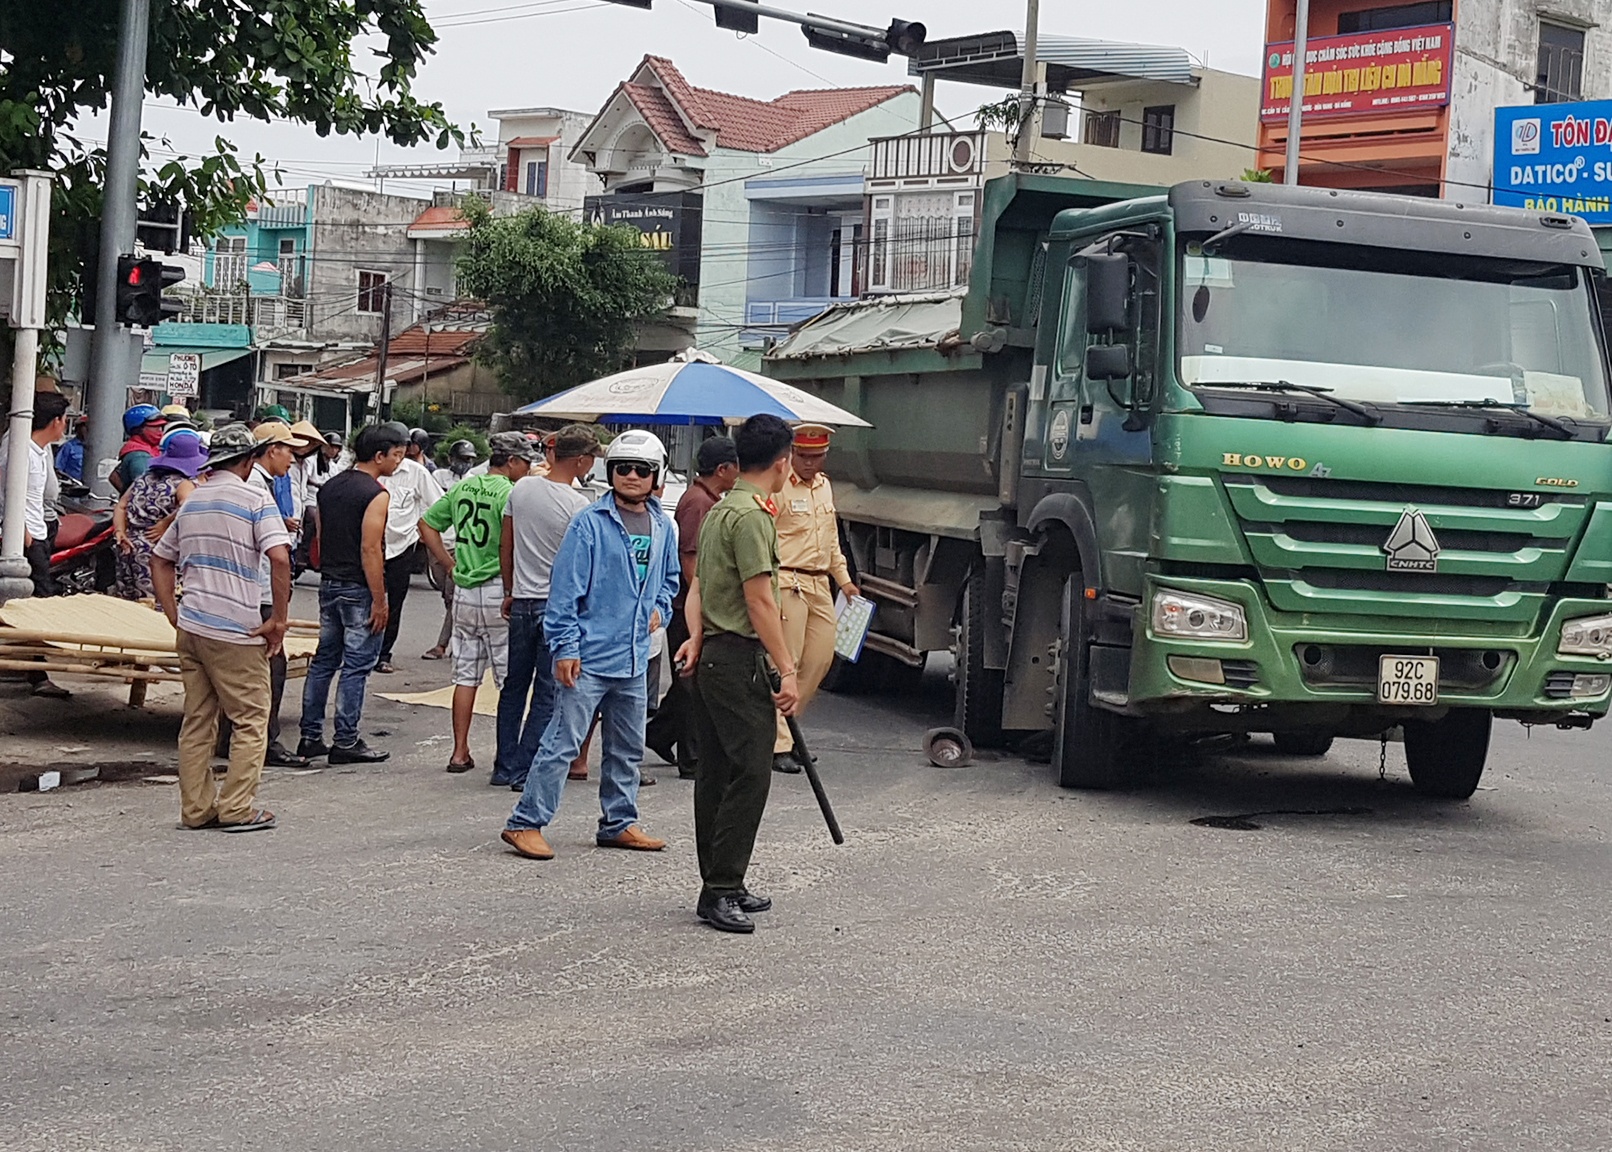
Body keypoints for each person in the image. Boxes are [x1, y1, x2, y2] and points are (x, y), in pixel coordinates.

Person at [501, 429, 678, 861]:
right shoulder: (588, 524)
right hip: (589, 656)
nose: (631, 476)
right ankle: (525, 822)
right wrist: (564, 648)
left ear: (657, 476)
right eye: (622, 469)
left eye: (642, 470)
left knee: (626, 745)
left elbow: (670, 581)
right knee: (562, 742)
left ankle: (619, 821)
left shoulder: (662, 525)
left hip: (634, 656)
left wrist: (661, 609)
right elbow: (564, 593)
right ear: (609, 471)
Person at [674, 413, 799, 933]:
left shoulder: (721, 509)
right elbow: (759, 599)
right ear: (783, 461)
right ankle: (720, 887)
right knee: (751, 771)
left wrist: (696, 638)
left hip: (713, 654)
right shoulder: (752, 517)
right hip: (739, 658)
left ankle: (724, 879)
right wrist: (788, 669)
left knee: (718, 773)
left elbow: (699, 587)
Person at [148, 423, 292, 832]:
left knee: (197, 720)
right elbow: (279, 558)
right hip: (237, 630)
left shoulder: (193, 501)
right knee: (250, 718)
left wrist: (173, 612)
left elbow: (160, 558)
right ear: (249, 461)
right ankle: (237, 808)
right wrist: (278, 620)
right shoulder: (254, 497)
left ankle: (196, 810)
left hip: (193, 625)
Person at [419, 431, 536, 773]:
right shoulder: (512, 494)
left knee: (466, 676)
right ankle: (507, 755)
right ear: (512, 461)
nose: (528, 469)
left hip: (465, 590)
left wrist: (448, 564)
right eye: (526, 462)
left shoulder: (463, 487)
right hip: (499, 589)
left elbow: (426, 525)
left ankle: (459, 752)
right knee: (509, 680)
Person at [493, 424, 597, 789]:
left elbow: (506, 543)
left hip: (521, 599)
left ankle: (504, 765)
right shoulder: (578, 505)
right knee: (547, 692)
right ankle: (525, 768)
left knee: (513, 686)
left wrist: (509, 587)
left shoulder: (521, 488)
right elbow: (579, 564)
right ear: (581, 459)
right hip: (555, 605)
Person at [296, 423, 403, 764]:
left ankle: (310, 735)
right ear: (379, 455)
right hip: (358, 586)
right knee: (357, 666)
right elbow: (371, 548)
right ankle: (346, 739)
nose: (398, 462)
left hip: (330, 581)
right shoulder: (376, 493)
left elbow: (322, 538)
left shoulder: (329, 488)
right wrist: (380, 598)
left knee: (324, 661)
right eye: (396, 455)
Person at [645, 435, 738, 778]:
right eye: (735, 467)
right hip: (688, 606)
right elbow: (690, 558)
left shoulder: (705, 498)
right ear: (722, 469)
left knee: (690, 681)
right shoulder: (699, 503)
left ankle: (658, 733)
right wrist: (704, 601)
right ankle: (692, 758)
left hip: (690, 603)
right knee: (693, 683)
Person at [769, 423, 859, 773]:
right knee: (787, 663)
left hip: (820, 582)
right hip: (788, 578)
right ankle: (780, 743)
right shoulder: (780, 487)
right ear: (791, 453)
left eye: (817, 456)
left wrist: (845, 581)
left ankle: (785, 733)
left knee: (821, 659)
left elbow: (831, 539)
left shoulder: (824, 487)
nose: (809, 463)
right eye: (803, 456)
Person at [244, 422, 307, 767]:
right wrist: (280, 616)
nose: (293, 459)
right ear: (272, 451)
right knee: (271, 665)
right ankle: (265, 740)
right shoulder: (256, 488)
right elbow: (277, 556)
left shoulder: (259, 483)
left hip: (252, 588)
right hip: (260, 589)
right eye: (289, 451)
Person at [374, 427, 445, 674]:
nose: (399, 457)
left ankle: (383, 654)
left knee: (394, 603)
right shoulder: (370, 472)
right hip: (370, 546)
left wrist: (422, 530)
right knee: (365, 600)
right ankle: (360, 651)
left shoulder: (417, 473)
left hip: (401, 548)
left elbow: (436, 505)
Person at [113, 426, 204, 602]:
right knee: (155, 603)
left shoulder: (144, 478)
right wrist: (166, 524)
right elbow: (188, 508)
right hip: (158, 549)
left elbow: (121, 506)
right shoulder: (183, 484)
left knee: (129, 603)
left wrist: (120, 532)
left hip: (130, 546)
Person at [109, 405, 167, 494]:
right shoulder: (139, 456)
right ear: (138, 429)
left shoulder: (152, 449)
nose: (160, 431)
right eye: (155, 427)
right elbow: (148, 490)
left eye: (161, 427)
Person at [54, 416, 88, 481]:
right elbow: (58, 468)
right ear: (78, 428)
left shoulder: (96, 448)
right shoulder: (69, 446)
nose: (87, 430)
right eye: (85, 426)